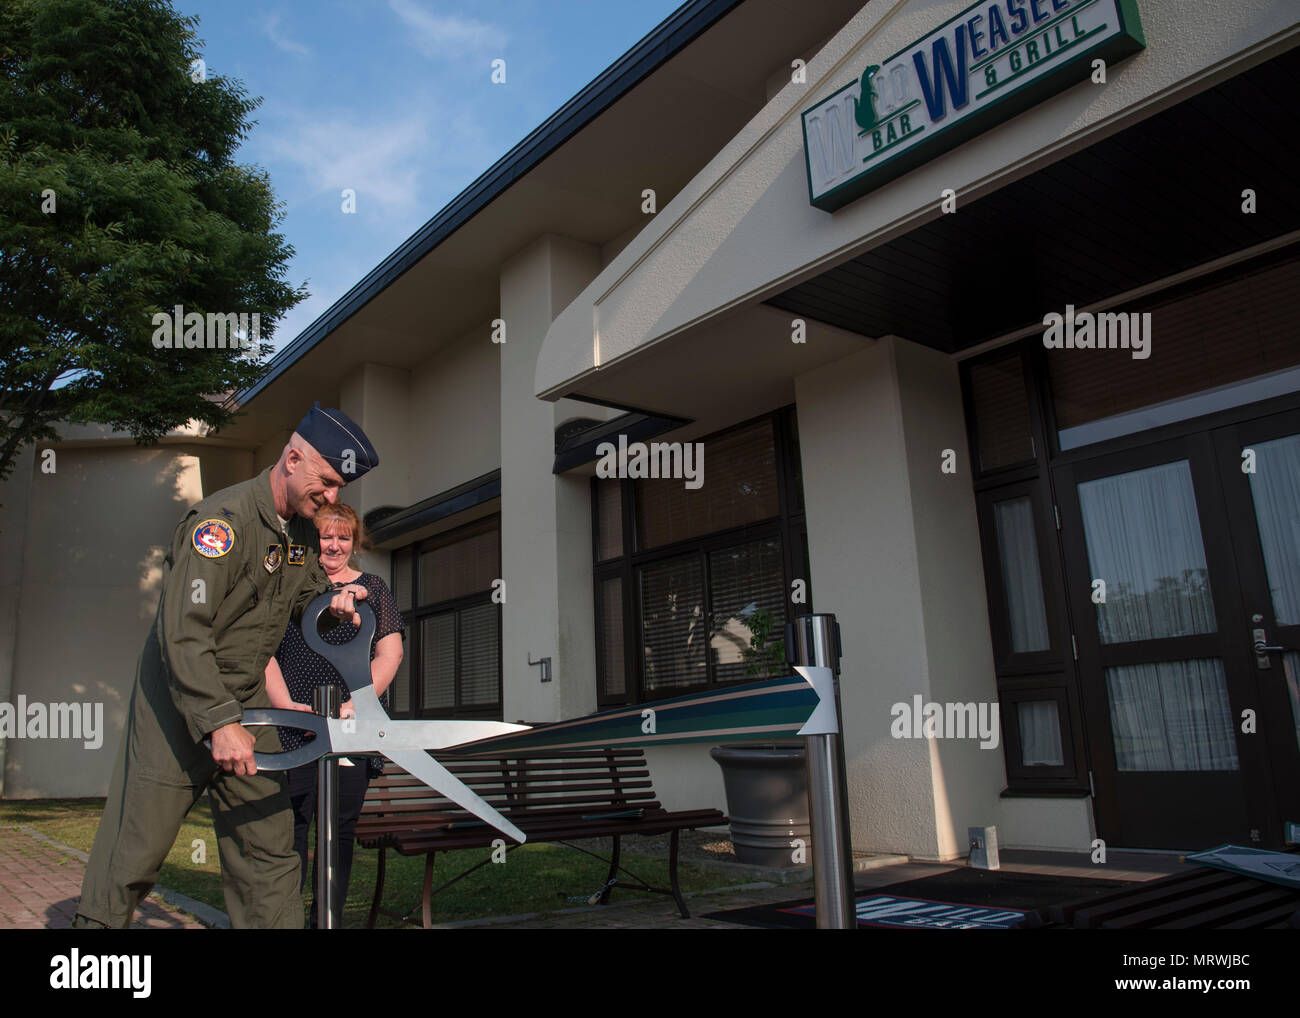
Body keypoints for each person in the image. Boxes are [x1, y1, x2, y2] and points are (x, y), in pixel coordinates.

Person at [73, 403, 380, 929]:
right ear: (293, 457)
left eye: (339, 489)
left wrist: (333, 604)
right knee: (137, 849)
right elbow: (183, 631)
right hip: (180, 699)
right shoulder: (222, 524)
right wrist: (218, 722)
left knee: (268, 851)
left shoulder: (301, 533)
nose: (332, 498)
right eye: (326, 482)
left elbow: (303, 598)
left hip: (248, 703)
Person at [265, 502, 404, 927]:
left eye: (343, 537)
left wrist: (359, 702)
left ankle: (326, 919)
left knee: (338, 831)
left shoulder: (373, 588)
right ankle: (285, 919)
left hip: (351, 727)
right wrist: (286, 706)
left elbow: (390, 651)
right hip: (295, 729)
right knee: (293, 827)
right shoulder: (288, 585)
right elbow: (264, 651)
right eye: (326, 535)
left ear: (353, 542)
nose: (334, 545)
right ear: (311, 539)